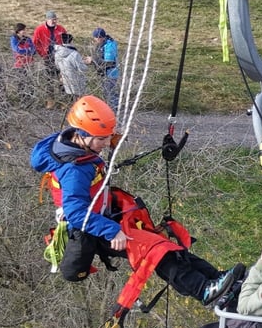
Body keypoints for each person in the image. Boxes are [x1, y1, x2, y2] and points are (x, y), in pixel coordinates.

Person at [29, 95, 242, 307]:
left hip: (104, 216)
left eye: (107, 137)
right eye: (101, 139)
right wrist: (111, 231)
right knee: (155, 251)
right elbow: (76, 213)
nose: (105, 143)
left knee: (162, 244)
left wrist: (108, 136)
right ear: (82, 135)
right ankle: (203, 290)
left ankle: (216, 278)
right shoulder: (75, 169)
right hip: (93, 229)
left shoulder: (68, 142)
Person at [32, 11, 67, 108]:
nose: (54, 21)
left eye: (55, 19)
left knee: (62, 79)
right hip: (48, 57)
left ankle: (63, 101)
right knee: (50, 80)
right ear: (47, 20)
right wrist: (43, 53)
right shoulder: (39, 30)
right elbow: (35, 43)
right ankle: (50, 101)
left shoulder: (61, 29)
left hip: (60, 57)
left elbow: (66, 41)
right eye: (52, 19)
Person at [85, 27, 119, 111]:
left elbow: (108, 62)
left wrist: (93, 60)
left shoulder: (109, 46)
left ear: (101, 37)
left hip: (110, 74)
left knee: (109, 93)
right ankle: (109, 109)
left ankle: (113, 110)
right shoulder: (102, 44)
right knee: (106, 92)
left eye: (96, 38)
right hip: (103, 73)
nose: (95, 40)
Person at [53, 33, 88, 98]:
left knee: (68, 100)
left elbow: (57, 66)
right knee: (78, 101)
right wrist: (86, 62)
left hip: (65, 81)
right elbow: (82, 68)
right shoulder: (75, 54)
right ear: (71, 41)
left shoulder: (57, 53)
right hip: (76, 82)